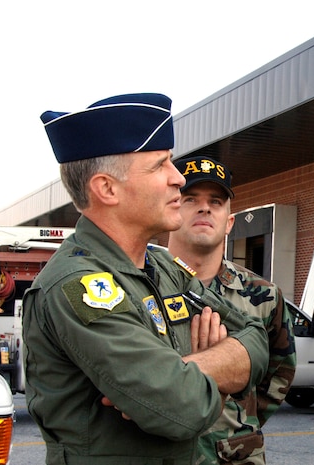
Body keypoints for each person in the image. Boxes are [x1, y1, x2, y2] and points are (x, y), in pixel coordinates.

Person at [23, 93, 269, 464]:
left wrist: (190, 370)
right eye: (161, 165)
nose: (178, 178)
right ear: (107, 189)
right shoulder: (78, 286)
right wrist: (217, 377)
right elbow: (182, 410)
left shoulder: (161, 265)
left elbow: (256, 338)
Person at [168, 155, 297, 464]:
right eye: (191, 199)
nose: (205, 208)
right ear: (170, 211)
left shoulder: (264, 296)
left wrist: (241, 420)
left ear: (229, 222)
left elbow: (279, 372)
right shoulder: (143, 286)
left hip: (235, 455)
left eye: (216, 201)